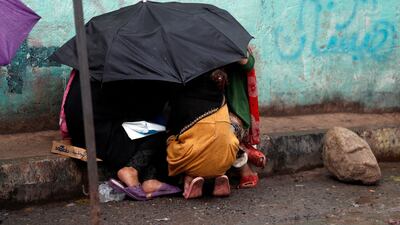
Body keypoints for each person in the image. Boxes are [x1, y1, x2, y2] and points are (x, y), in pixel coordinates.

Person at [61, 69, 180, 200]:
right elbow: (139, 110)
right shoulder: (123, 70)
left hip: (79, 136)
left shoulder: (86, 66)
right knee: (157, 132)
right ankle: (132, 170)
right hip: (103, 140)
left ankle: (149, 180)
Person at [166, 69, 239, 199]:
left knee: (170, 139)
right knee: (226, 133)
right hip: (225, 160)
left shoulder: (185, 98)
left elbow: (174, 128)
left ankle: (189, 178)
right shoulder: (221, 98)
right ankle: (219, 177)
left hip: (194, 159)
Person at [224, 48, 267, 188]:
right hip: (209, 109)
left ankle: (244, 167)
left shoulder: (230, 43)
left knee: (225, 131)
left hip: (234, 113)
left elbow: (248, 63)